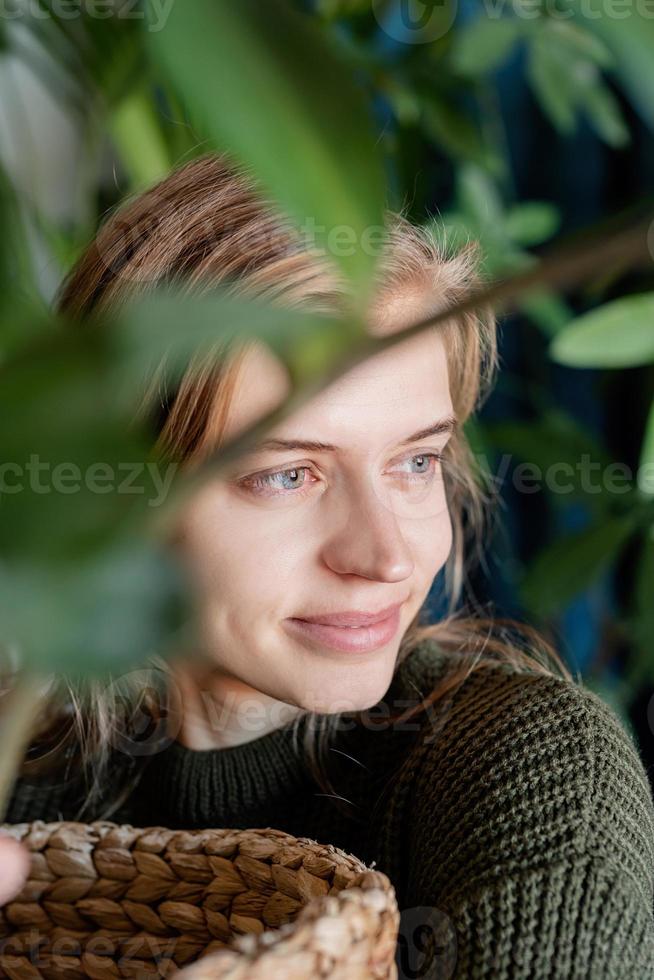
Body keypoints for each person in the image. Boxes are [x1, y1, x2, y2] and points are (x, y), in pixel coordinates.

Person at [4, 153, 654, 978]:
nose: (384, 556)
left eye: (415, 463)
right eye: (287, 475)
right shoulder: (22, 786)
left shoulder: (528, 769)